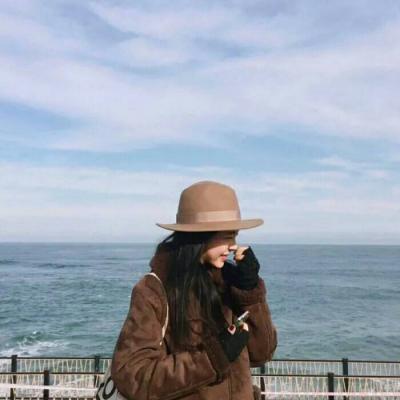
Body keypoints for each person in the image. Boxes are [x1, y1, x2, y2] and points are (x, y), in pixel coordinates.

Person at [111, 181, 277, 400]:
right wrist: (213, 357)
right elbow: (132, 376)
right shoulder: (154, 290)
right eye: (228, 236)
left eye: (235, 236)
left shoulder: (230, 281)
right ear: (200, 237)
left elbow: (262, 353)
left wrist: (250, 291)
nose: (234, 246)